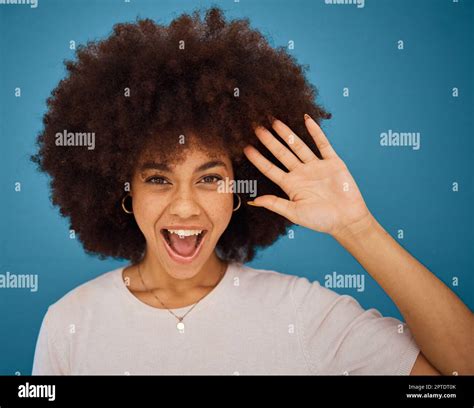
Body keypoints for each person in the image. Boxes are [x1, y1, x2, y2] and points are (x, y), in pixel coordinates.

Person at [31, 7, 473, 375]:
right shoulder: (70, 323)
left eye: (209, 178)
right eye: (159, 179)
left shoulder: (302, 313)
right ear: (123, 190)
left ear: (239, 189)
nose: (185, 207)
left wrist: (357, 228)